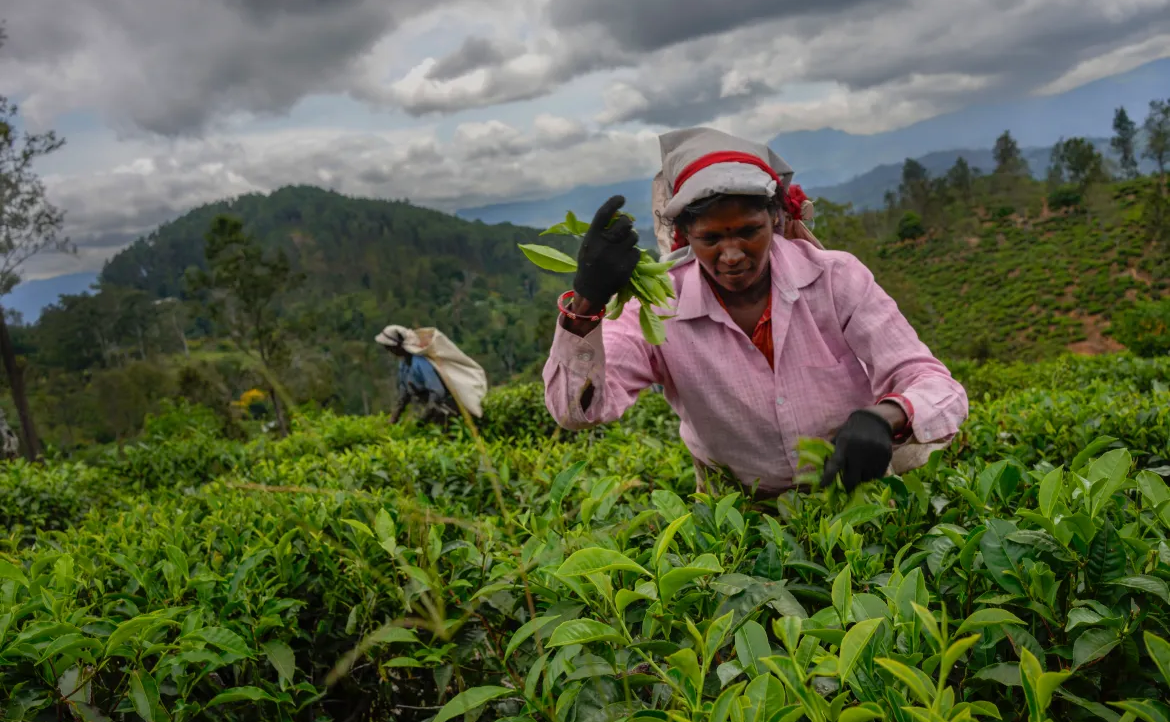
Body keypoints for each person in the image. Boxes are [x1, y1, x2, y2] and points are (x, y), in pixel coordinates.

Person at [543, 127, 969, 498]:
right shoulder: (658, 307)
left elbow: (935, 385)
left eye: (749, 232)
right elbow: (576, 412)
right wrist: (587, 303)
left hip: (854, 495)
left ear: (776, 218)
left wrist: (885, 416)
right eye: (711, 238)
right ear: (684, 235)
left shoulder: (836, 279)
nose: (731, 255)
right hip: (737, 515)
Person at [377, 327, 459, 427]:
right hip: (433, 412)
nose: (388, 350)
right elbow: (404, 394)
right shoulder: (404, 364)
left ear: (398, 346)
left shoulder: (420, 361)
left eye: (389, 347)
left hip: (447, 411)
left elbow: (437, 392)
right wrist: (393, 419)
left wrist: (423, 420)